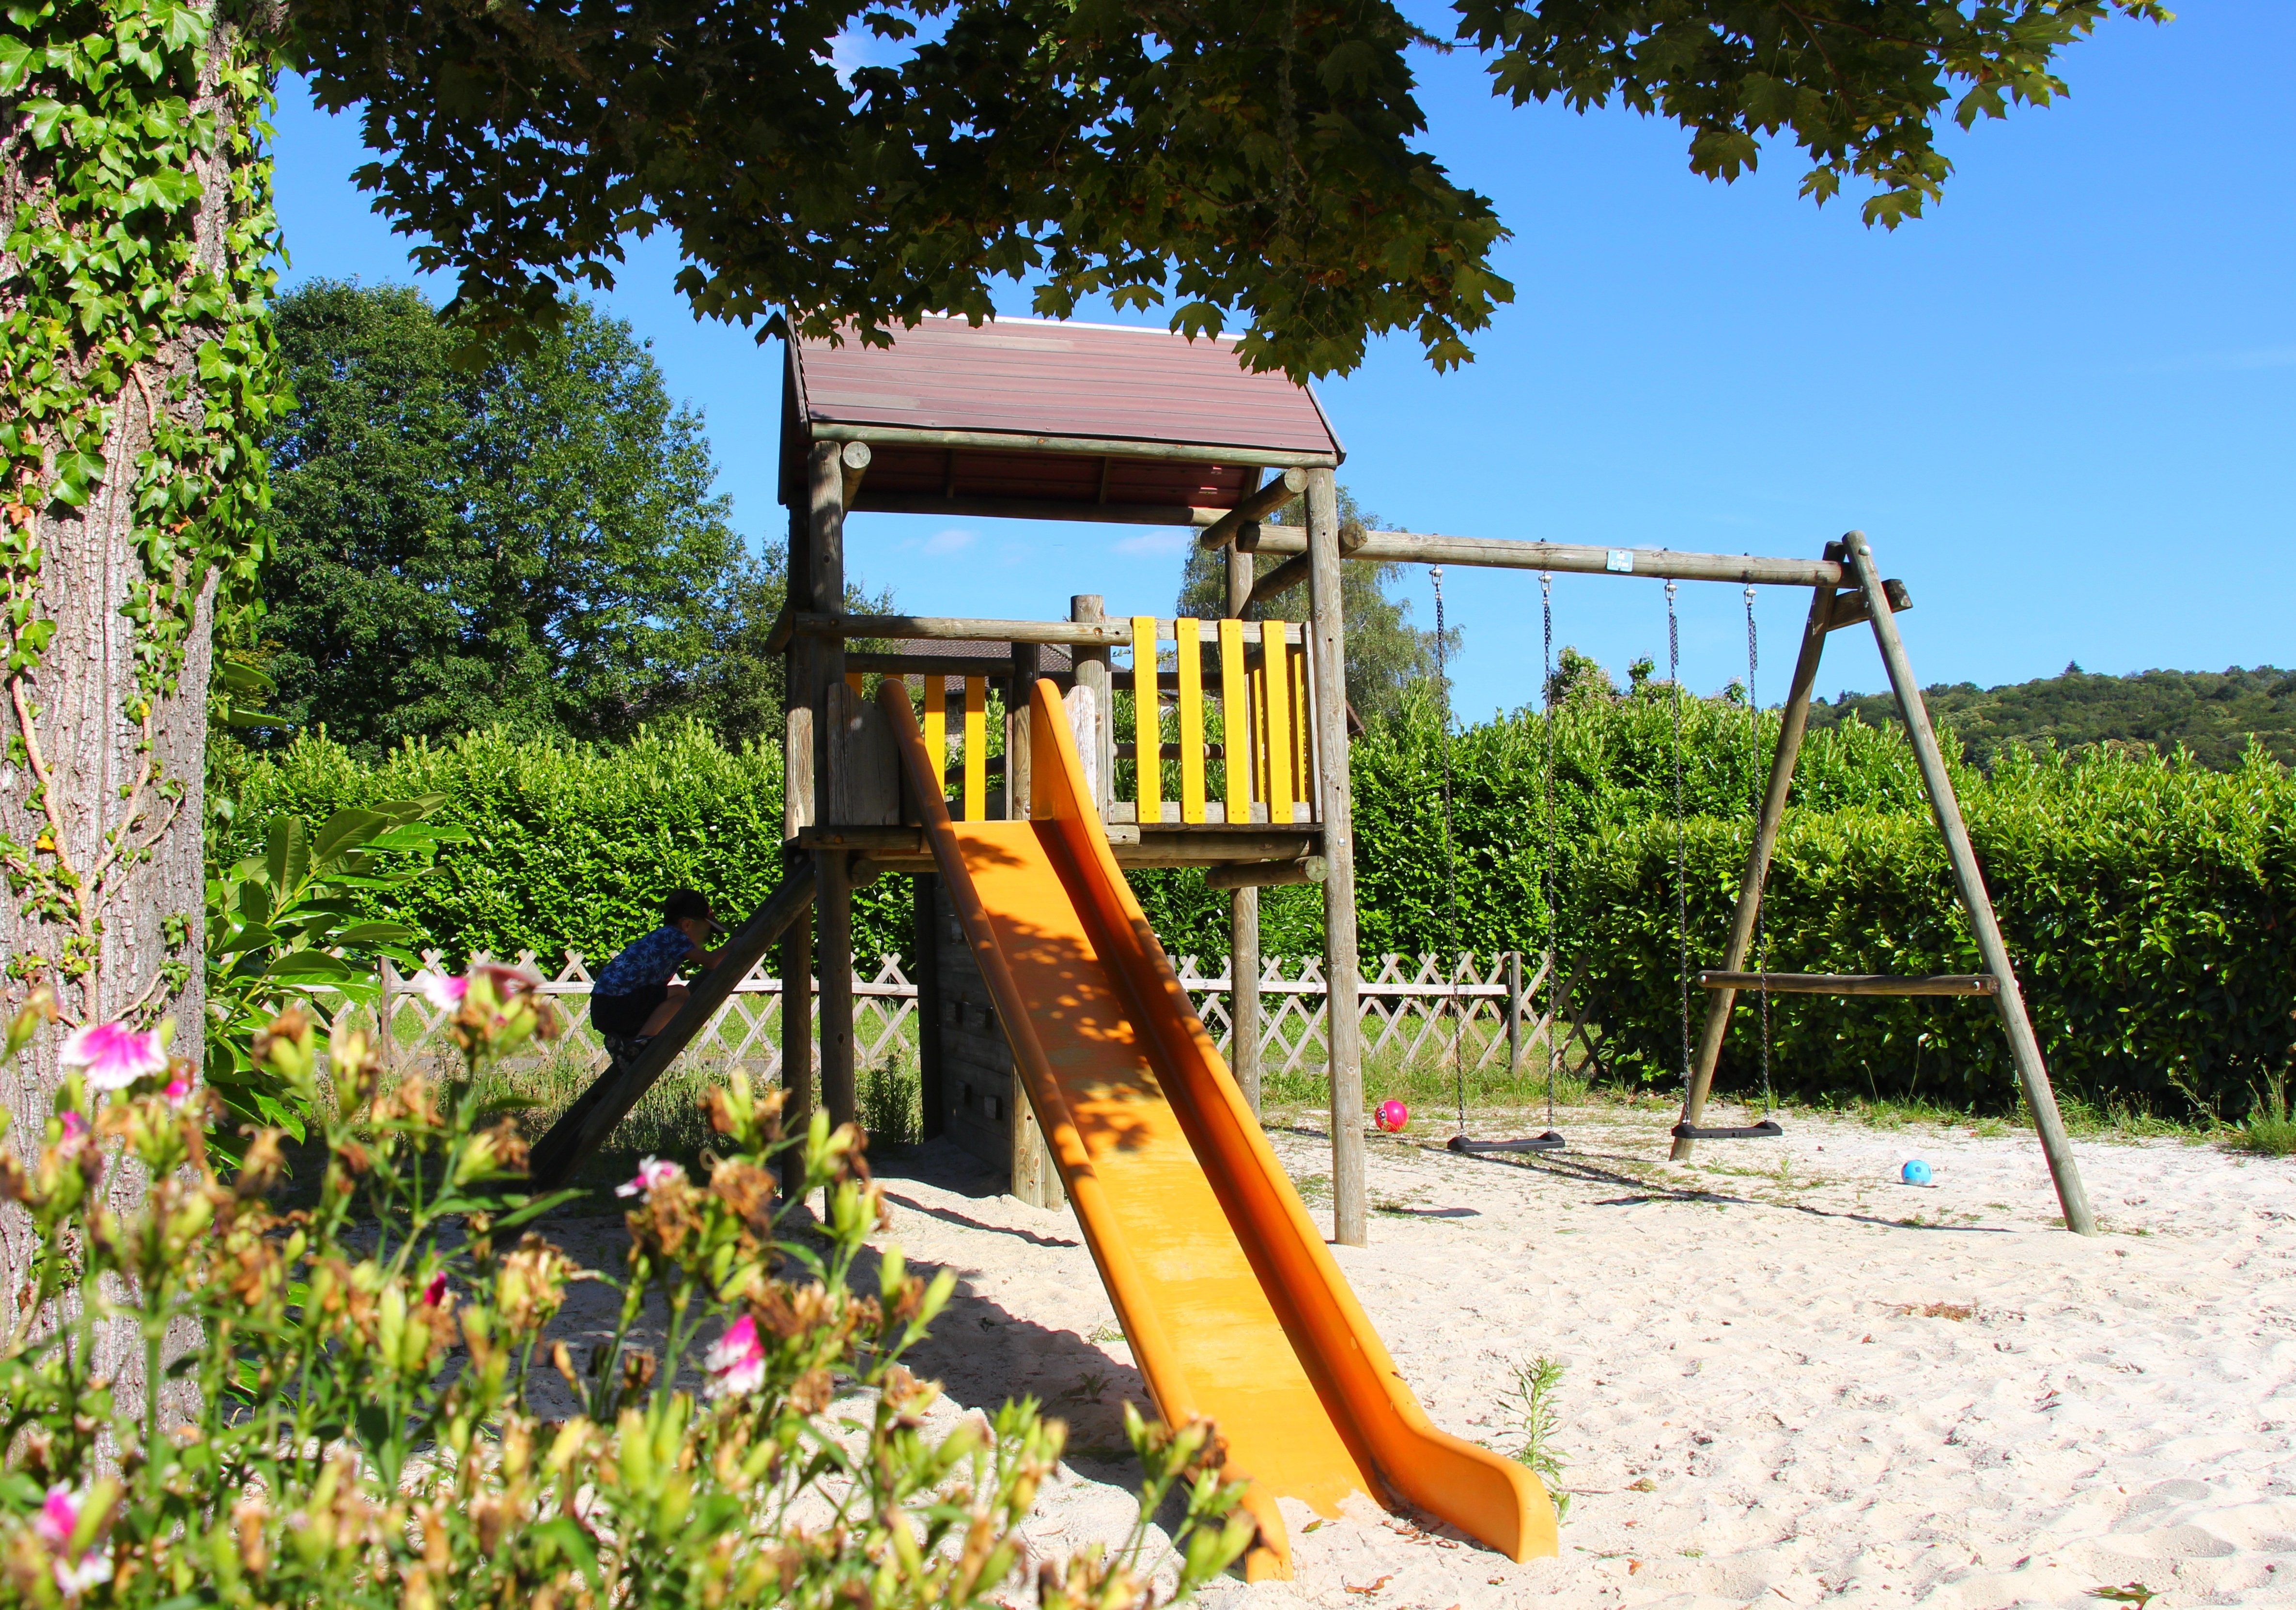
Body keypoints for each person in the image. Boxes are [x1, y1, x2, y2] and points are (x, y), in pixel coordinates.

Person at [590, 890, 725, 1049]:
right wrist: (736, 944)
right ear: (687, 925)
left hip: (604, 1007)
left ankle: (625, 1045)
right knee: (681, 994)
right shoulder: (675, 936)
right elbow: (711, 962)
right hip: (616, 1005)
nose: (705, 940)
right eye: (705, 932)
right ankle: (640, 1042)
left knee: (665, 999)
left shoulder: (662, 935)